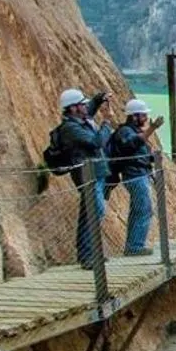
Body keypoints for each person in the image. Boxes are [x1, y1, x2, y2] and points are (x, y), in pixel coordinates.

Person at [43, 87, 110, 268]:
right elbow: (96, 142)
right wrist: (106, 124)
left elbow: (89, 110)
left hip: (95, 173)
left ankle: (88, 255)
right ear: (73, 108)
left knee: (90, 212)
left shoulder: (78, 121)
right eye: (81, 104)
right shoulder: (71, 128)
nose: (84, 107)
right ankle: (88, 256)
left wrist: (98, 98)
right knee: (95, 211)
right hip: (87, 175)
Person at [107, 99, 165, 255]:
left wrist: (151, 157)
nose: (146, 119)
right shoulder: (126, 132)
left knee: (138, 209)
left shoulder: (131, 132)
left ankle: (133, 245)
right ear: (134, 116)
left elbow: (137, 150)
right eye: (143, 115)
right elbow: (130, 145)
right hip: (134, 175)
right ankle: (135, 246)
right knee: (144, 209)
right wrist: (152, 129)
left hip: (139, 174)